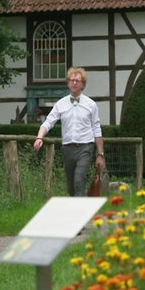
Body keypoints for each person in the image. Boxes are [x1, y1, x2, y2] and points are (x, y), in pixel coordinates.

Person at [33, 67, 105, 197]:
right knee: (71, 186)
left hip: (85, 148)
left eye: (77, 80)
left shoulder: (91, 105)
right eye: (72, 80)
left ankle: (80, 215)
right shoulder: (61, 104)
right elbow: (48, 122)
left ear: (83, 84)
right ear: (68, 83)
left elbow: (96, 129)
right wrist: (39, 137)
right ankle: (76, 210)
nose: (74, 83)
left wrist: (100, 154)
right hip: (67, 149)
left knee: (79, 180)